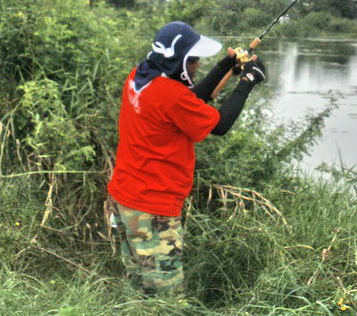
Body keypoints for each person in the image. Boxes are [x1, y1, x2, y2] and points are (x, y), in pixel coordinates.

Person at [106, 21, 266, 296]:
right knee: (166, 297)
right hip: (151, 207)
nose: (197, 66)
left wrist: (224, 66)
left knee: (139, 285)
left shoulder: (139, 76)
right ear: (176, 62)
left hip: (124, 198)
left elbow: (190, 99)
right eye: (192, 61)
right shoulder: (170, 95)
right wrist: (247, 82)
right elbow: (220, 125)